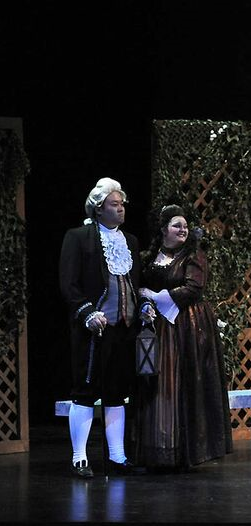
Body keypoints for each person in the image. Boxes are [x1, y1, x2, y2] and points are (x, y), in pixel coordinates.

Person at [59, 177, 154, 477]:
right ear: (99, 209)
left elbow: (132, 285)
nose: (121, 209)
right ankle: (80, 458)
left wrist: (143, 308)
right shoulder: (79, 237)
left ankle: (117, 457)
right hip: (93, 329)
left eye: (122, 204)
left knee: (117, 392)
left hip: (123, 329)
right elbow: (69, 284)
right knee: (85, 392)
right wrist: (87, 313)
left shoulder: (131, 241)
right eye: (114, 204)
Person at [133, 204, 233, 470]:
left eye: (186, 226)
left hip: (186, 325)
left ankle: (183, 452)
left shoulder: (194, 255)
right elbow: (140, 284)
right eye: (177, 225)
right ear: (164, 228)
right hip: (157, 326)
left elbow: (193, 288)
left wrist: (155, 297)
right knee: (158, 383)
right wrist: (145, 301)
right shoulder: (150, 256)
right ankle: (158, 449)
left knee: (183, 382)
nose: (183, 230)